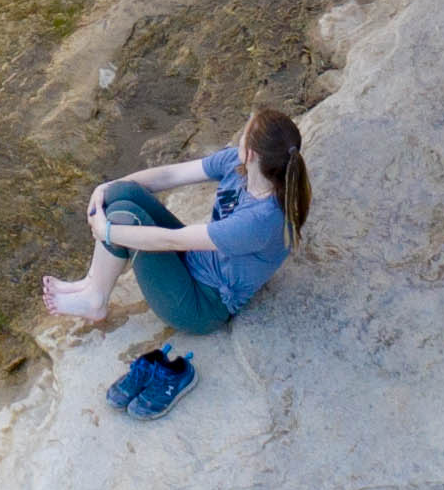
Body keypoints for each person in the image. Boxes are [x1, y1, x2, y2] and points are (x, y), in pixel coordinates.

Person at [42, 105, 314, 337]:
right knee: (121, 193)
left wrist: (107, 231)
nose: (239, 138)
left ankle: (95, 301)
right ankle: (92, 283)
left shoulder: (259, 221)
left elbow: (172, 240)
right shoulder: (237, 164)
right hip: (193, 259)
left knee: (125, 218)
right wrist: (107, 186)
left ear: (252, 154)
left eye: (244, 135)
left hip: (201, 303)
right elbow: (171, 176)